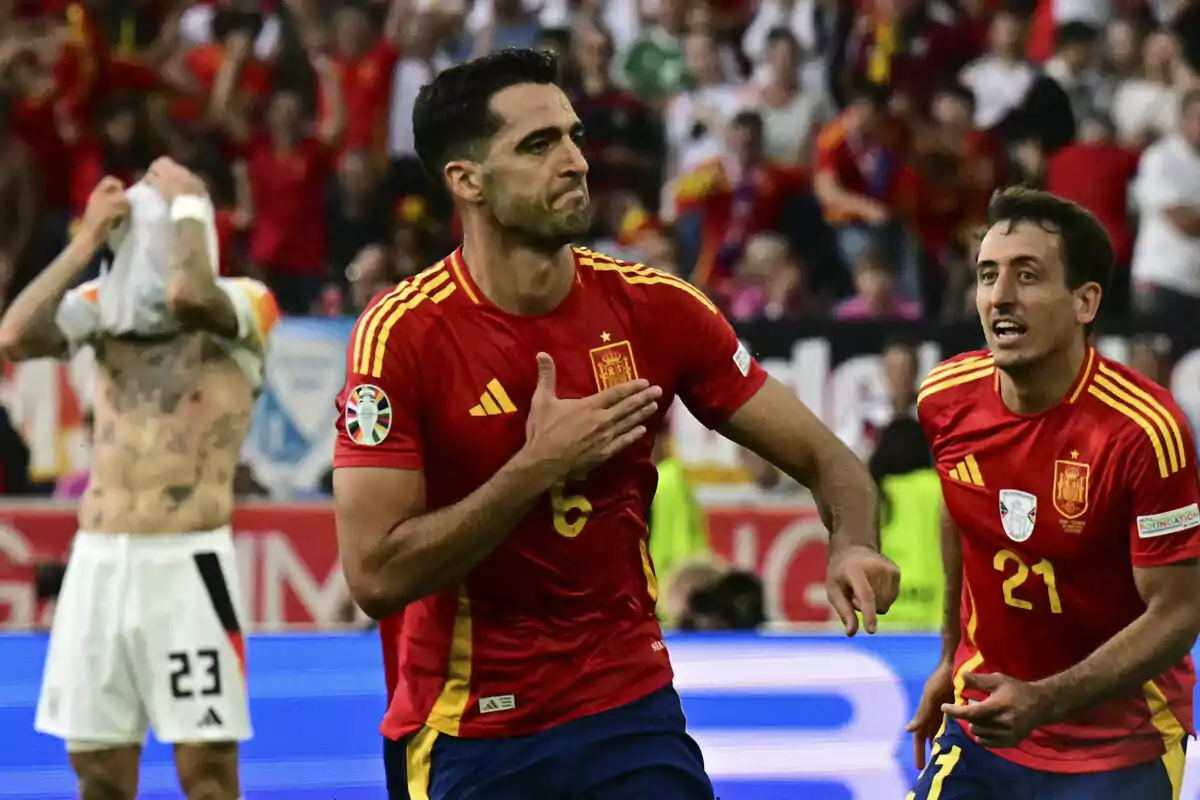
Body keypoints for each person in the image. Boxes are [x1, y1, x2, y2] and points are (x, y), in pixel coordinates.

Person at [332, 48, 900, 800]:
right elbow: (374, 575)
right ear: (466, 181)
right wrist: (536, 466)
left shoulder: (657, 310)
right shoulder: (402, 336)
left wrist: (851, 544)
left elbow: (830, 460)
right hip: (469, 729)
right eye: (537, 146)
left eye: (572, 136)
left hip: (627, 709)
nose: (574, 161)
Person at [906, 187, 1200, 800]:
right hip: (986, 729)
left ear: (1085, 301)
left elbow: (1179, 612)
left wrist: (1046, 699)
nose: (999, 296)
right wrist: (948, 655)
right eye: (988, 275)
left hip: (1120, 749)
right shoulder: (944, 397)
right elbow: (962, 513)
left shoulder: (1146, 431)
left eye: (1027, 275)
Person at [0, 160, 279, 800]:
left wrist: (187, 200)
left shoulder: (244, 304)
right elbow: (15, 336)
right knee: (96, 770)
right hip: (97, 561)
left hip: (188, 561)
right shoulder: (102, 310)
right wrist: (85, 242)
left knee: (206, 772)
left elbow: (185, 293)